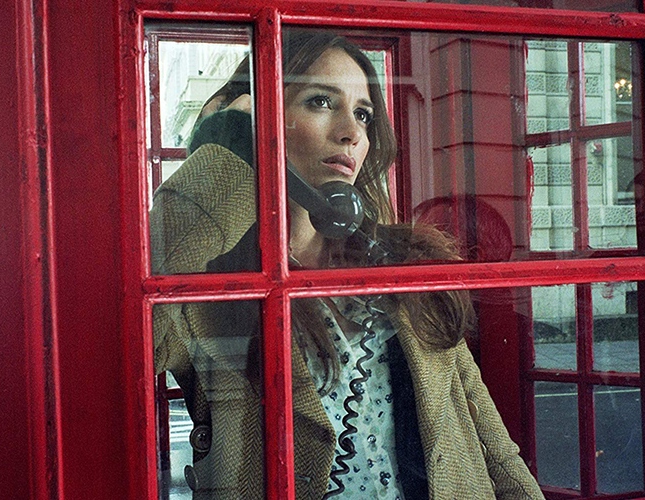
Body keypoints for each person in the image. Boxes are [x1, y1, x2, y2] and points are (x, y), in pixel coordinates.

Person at [150, 30, 544, 500]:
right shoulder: (205, 286)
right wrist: (224, 154)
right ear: (255, 121)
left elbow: (489, 436)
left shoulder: (401, 262)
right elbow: (125, 339)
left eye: (363, 114)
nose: (351, 133)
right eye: (320, 102)